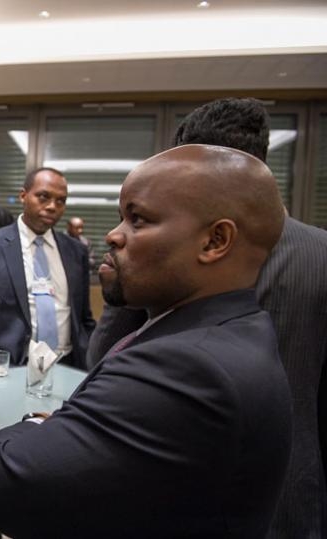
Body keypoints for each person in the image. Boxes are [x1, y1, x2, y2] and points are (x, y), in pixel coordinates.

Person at [0, 144, 292, 538]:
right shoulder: (241, 327)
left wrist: (35, 423)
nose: (114, 235)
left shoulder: (183, 368)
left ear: (214, 241)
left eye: (137, 219)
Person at [86, 97, 327, 538]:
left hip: (168, 485)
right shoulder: (322, 254)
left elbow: (104, 359)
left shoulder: (155, 257)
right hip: (294, 490)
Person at [0, 168, 95, 370]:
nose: (52, 206)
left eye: (61, 201)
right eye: (43, 197)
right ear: (23, 195)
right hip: (9, 367)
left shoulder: (76, 252)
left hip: (68, 364)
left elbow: (84, 317)